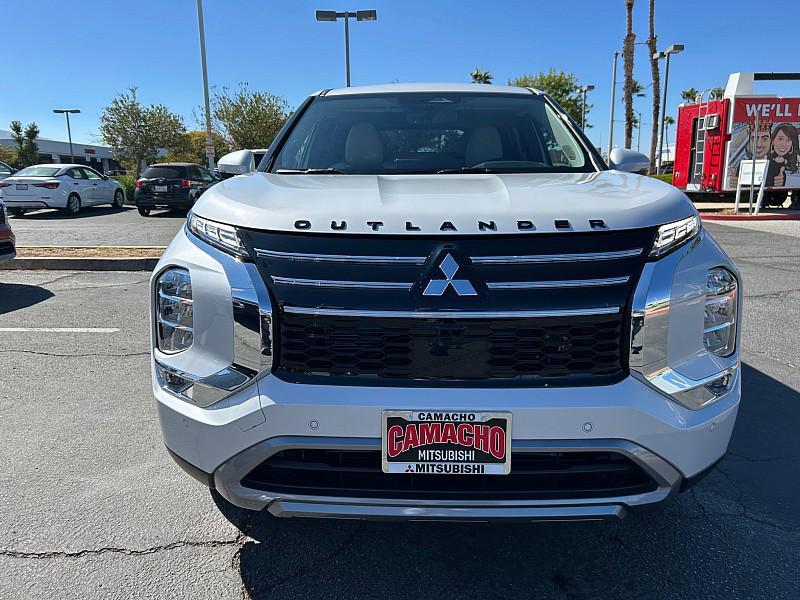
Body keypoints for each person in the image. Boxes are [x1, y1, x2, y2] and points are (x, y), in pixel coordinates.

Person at [728, 120, 773, 187]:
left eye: (765, 139)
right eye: (754, 139)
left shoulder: (775, 166)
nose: (759, 144)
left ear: (770, 142)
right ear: (748, 143)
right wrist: (734, 182)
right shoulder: (742, 165)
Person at [766, 123, 800, 188]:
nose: (784, 144)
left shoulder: (795, 162)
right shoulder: (766, 161)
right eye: (780, 139)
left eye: (788, 140)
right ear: (772, 140)